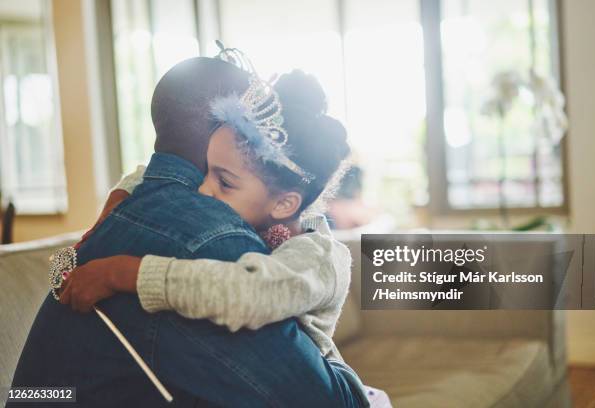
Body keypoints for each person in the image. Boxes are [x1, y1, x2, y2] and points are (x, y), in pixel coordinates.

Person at [11, 53, 366, 407]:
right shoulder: (211, 231)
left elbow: (246, 293)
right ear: (217, 136)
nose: (203, 189)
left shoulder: (312, 253)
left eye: (224, 181)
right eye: (211, 171)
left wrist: (123, 270)